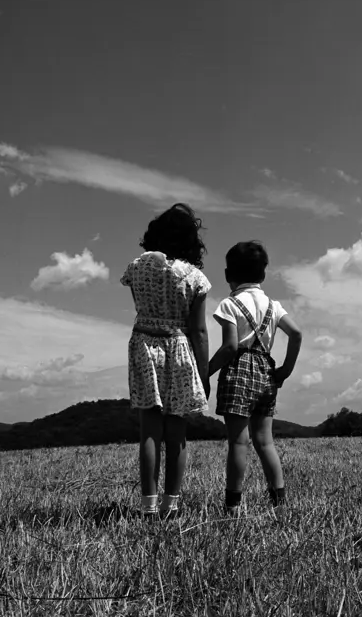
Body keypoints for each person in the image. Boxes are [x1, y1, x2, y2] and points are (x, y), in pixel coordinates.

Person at [120, 203, 211, 518]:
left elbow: (140, 305)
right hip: (179, 348)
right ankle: (170, 507)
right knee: (177, 435)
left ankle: (147, 506)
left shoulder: (136, 267)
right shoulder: (195, 277)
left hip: (144, 344)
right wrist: (204, 374)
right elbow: (198, 330)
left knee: (149, 431)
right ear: (190, 240)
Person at [209, 240, 302, 516]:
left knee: (239, 441)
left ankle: (233, 506)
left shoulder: (229, 304)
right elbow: (296, 334)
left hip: (238, 370)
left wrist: (206, 372)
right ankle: (279, 502)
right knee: (265, 441)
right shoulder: (273, 305)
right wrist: (285, 370)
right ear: (263, 275)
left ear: (228, 275)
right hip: (266, 370)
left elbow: (229, 347)